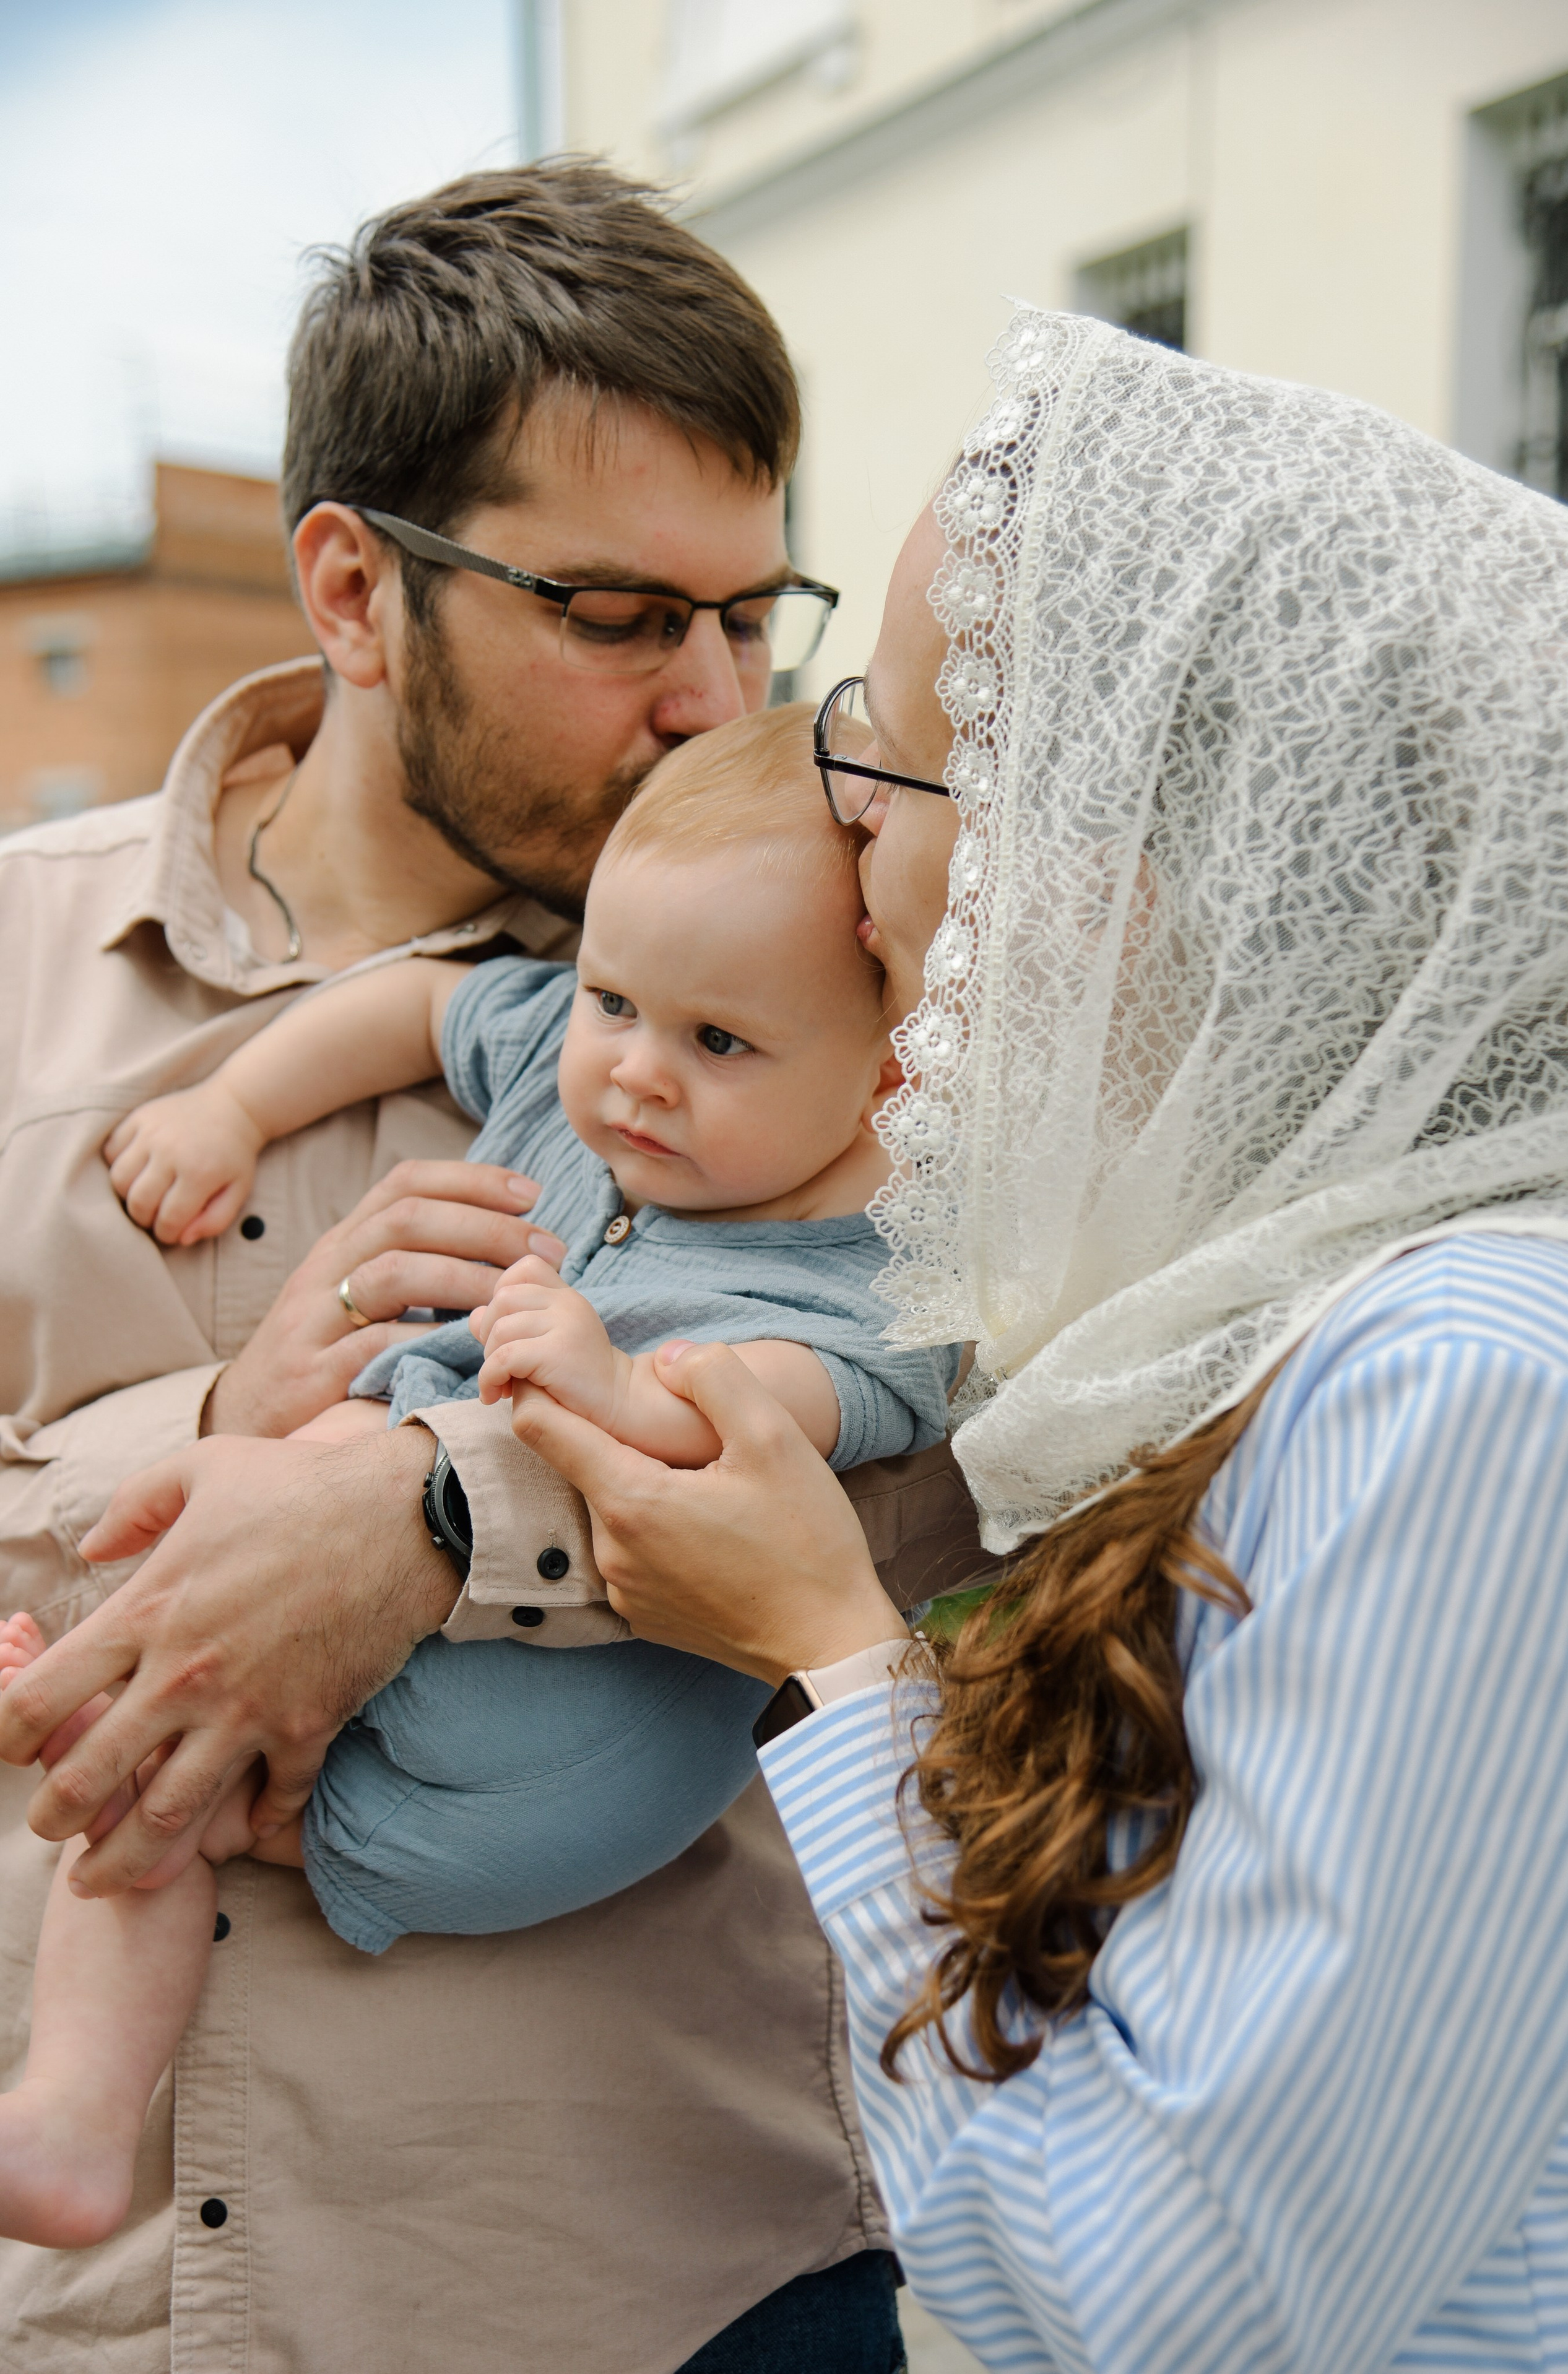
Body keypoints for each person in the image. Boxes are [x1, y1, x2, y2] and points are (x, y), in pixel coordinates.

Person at [462, 313, 1568, 2372]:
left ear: (1129, 861)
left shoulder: (1473, 1382)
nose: (844, 838)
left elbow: (1164, 2289)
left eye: (885, 747)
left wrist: (828, 1647)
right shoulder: (1301, 1314)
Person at [0, 165, 981, 2373]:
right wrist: (214, 1447)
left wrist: (427, 1506)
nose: (714, 699)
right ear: (354, 586)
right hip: (87, 2303)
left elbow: (947, 1496)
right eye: (627, 612)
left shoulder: (860, 985)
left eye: (758, 613)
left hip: (648, 2283)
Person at [0, 703, 961, 2250]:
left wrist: (601, 1387)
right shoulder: (585, 1083)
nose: (634, 1074)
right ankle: (72, 2118)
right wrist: (232, 1106)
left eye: (716, 1042)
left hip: (576, 1759)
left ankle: (148, 1687)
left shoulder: (881, 1272)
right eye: (610, 1002)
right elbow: (416, 1009)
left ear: (895, 1073)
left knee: (310, 1469)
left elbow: (762, 1425)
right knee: (160, 1767)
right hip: (382, 1719)